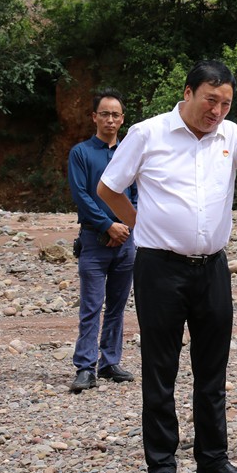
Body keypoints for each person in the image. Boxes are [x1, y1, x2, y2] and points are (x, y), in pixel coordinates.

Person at [97, 60, 237, 473]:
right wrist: (139, 223)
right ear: (188, 92)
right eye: (210, 100)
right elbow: (108, 188)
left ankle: (213, 463)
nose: (216, 111)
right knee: (160, 369)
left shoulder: (231, 135)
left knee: (212, 370)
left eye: (225, 103)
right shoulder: (148, 133)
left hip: (212, 267)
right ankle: (162, 467)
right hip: (160, 267)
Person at [67, 88, 138, 393]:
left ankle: (109, 362)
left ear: (122, 119)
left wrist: (126, 227)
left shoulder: (129, 153)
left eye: (115, 115)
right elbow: (81, 196)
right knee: (91, 306)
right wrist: (108, 226)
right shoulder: (81, 153)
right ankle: (85, 366)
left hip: (126, 241)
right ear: (94, 117)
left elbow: (137, 193)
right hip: (94, 241)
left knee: (117, 306)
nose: (110, 120)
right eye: (105, 114)